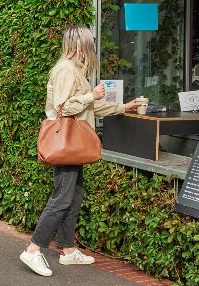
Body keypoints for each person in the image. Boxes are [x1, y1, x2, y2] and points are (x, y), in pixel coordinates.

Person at [20, 25, 143, 277]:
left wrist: (123, 107)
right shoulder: (66, 70)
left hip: (72, 144)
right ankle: (33, 250)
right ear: (79, 44)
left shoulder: (75, 69)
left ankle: (67, 249)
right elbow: (63, 108)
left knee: (74, 196)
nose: (93, 47)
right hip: (66, 142)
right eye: (90, 42)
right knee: (62, 197)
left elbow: (90, 110)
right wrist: (91, 95)